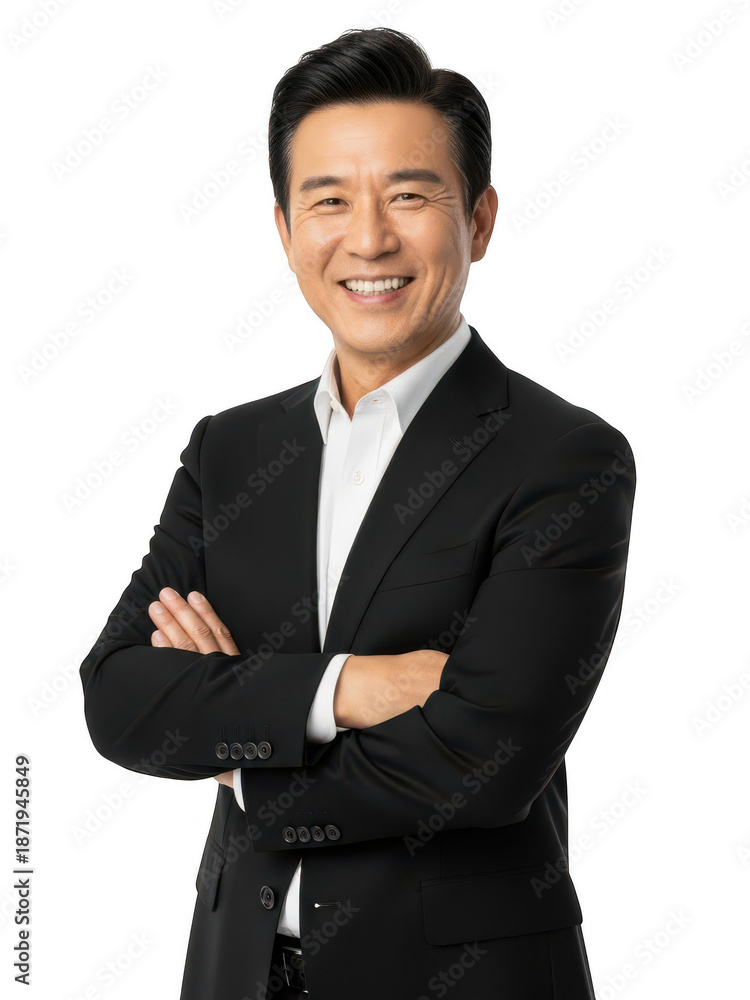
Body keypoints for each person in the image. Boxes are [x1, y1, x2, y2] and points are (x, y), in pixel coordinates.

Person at [79, 27, 636, 1000]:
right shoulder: (230, 452)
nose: (369, 239)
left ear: (481, 219)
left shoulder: (563, 458)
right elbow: (121, 695)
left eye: (409, 196)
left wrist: (239, 752)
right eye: (329, 200)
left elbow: (484, 762)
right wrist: (346, 689)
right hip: (235, 971)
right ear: (285, 229)